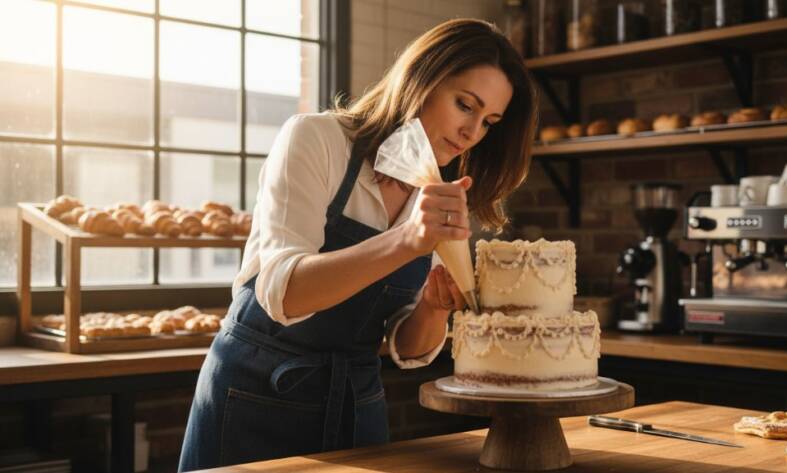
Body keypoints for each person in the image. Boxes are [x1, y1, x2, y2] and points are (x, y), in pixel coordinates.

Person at [178, 18, 537, 471]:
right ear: (421, 80)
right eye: (465, 105)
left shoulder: (436, 187)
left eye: (489, 122)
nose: (472, 132)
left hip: (356, 403)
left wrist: (433, 308)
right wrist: (408, 239)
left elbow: (406, 347)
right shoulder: (316, 139)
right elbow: (283, 292)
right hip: (255, 395)